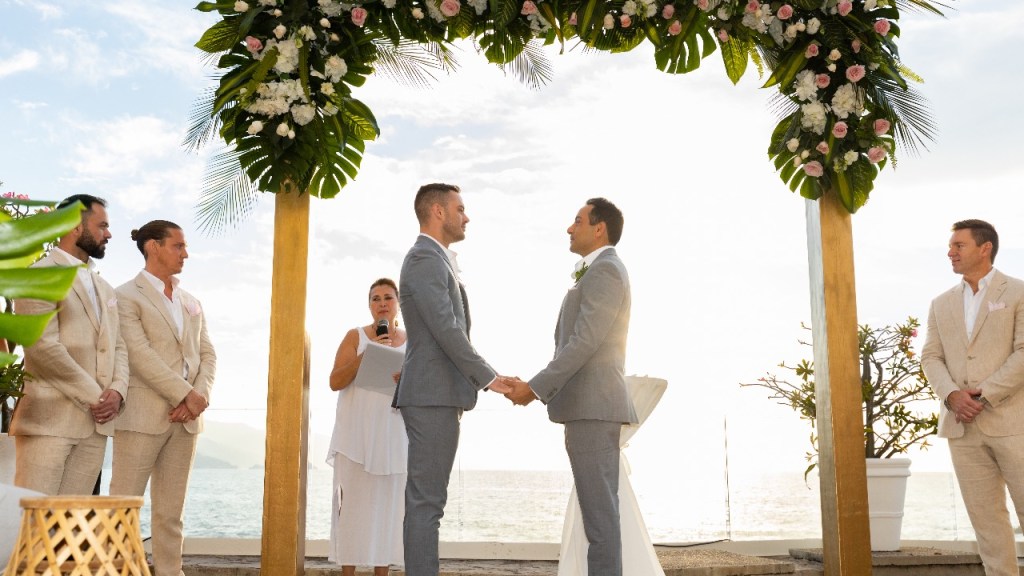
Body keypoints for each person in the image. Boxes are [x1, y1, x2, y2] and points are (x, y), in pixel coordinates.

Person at [506, 198, 638, 576]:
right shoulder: (596, 271)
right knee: (598, 516)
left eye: (577, 220)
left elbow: (582, 343)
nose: (569, 227)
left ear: (600, 228)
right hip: (586, 408)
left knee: (600, 520)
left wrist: (533, 388)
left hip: (593, 408)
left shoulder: (606, 271)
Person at [393, 183, 514, 576]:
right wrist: (489, 378)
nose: (467, 216)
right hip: (431, 397)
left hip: (439, 395)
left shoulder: (436, 260)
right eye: (460, 208)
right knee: (426, 504)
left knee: (429, 503)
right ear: (438, 212)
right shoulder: (424, 259)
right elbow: (447, 329)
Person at [110, 220, 216, 576]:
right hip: (142, 416)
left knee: (172, 515)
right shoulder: (125, 295)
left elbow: (208, 354)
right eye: (178, 246)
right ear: (153, 247)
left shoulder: (192, 301)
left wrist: (198, 397)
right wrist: (185, 395)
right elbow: (138, 355)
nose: (186, 253)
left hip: (187, 422)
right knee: (122, 509)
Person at [921, 219, 1024, 576]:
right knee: (986, 522)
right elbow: (930, 357)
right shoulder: (940, 303)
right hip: (961, 427)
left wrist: (984, 394)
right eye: (951, 246)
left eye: (958, 245)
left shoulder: (1018, 292)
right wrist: (951, 395)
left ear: (985, 248)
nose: (950, 252)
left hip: (1013, 423)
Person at [11, 194, 128, 495]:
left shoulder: (105, 288)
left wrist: (118, 390)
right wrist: (98, 398)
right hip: (49, 425)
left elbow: (119, 347)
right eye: (102, 225)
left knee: (74, 531)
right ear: (75, 226)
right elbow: (43, 350)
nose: (109, 234)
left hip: (95, 429)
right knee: (33, 527)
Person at [327, 277, 408, 576]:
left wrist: (407, 381)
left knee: (387, 514)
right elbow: (335, 381)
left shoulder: (412, 341)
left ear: (398, 302)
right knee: (352, 513)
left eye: (388, 297)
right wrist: (367, 354)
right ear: (370, 305)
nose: (382, 303)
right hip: (356, 439)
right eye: (376, 298)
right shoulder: (355, 336)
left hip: (392, 437)